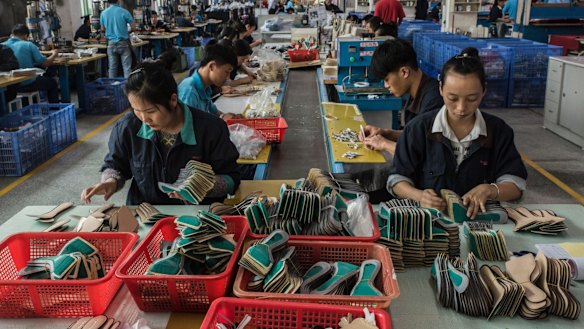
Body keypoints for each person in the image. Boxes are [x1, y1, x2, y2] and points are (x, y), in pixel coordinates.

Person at [387, 48, 527, 219]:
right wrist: (420, 196)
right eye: (452, 98)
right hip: (430, 222)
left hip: (479, 223)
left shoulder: (498, 131)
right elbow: (396, 180)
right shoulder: (418, 129)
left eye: (472, 98)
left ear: (484, 91)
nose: (461, 108)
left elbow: (516, 185)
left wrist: (491, 190)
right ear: (440, 89)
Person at [81, 62, 241, 205]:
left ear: (172, 100)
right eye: (136, 110)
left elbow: (231, 179)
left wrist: (202, 186)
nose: (144, 119)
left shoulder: (210, 128)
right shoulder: (127, 127)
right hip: (146, 213)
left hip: (196, 220)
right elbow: (116, 165)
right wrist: (110, 181)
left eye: (151, 111)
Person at [360, 39, 443, 155]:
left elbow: (420, 154)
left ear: (404, 72)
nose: (386, 85)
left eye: (387, 79)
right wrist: (385, 133)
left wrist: (384, 144)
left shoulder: (434, 100)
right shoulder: (416, 92)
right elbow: (415, 136)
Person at [178, 43, 239, 120]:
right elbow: (188, 129)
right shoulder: (189, 93)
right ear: (212, 66)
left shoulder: (205, 86)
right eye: (226, 72)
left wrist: (225, 116)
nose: (227, 78)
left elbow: (214, 111)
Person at [2, 24, 60, 103]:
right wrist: (54, 54)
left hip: (9, 87)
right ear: (26, 36)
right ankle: (54, 110)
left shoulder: (2, 46)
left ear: (11, 35)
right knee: (52, 83)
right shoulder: (28, 44)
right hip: (26, 83)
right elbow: (45, 64)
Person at [100, 0, 135, 78]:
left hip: (111, 43)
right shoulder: (124, 12)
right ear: (118, 0)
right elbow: (133, 27)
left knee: (112, 68)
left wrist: (110, 31)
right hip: (123, 43)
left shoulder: (104, 13)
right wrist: (126, 32)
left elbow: (102, 29)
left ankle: (112, 88)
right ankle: (128, 88)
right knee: (126, 68)